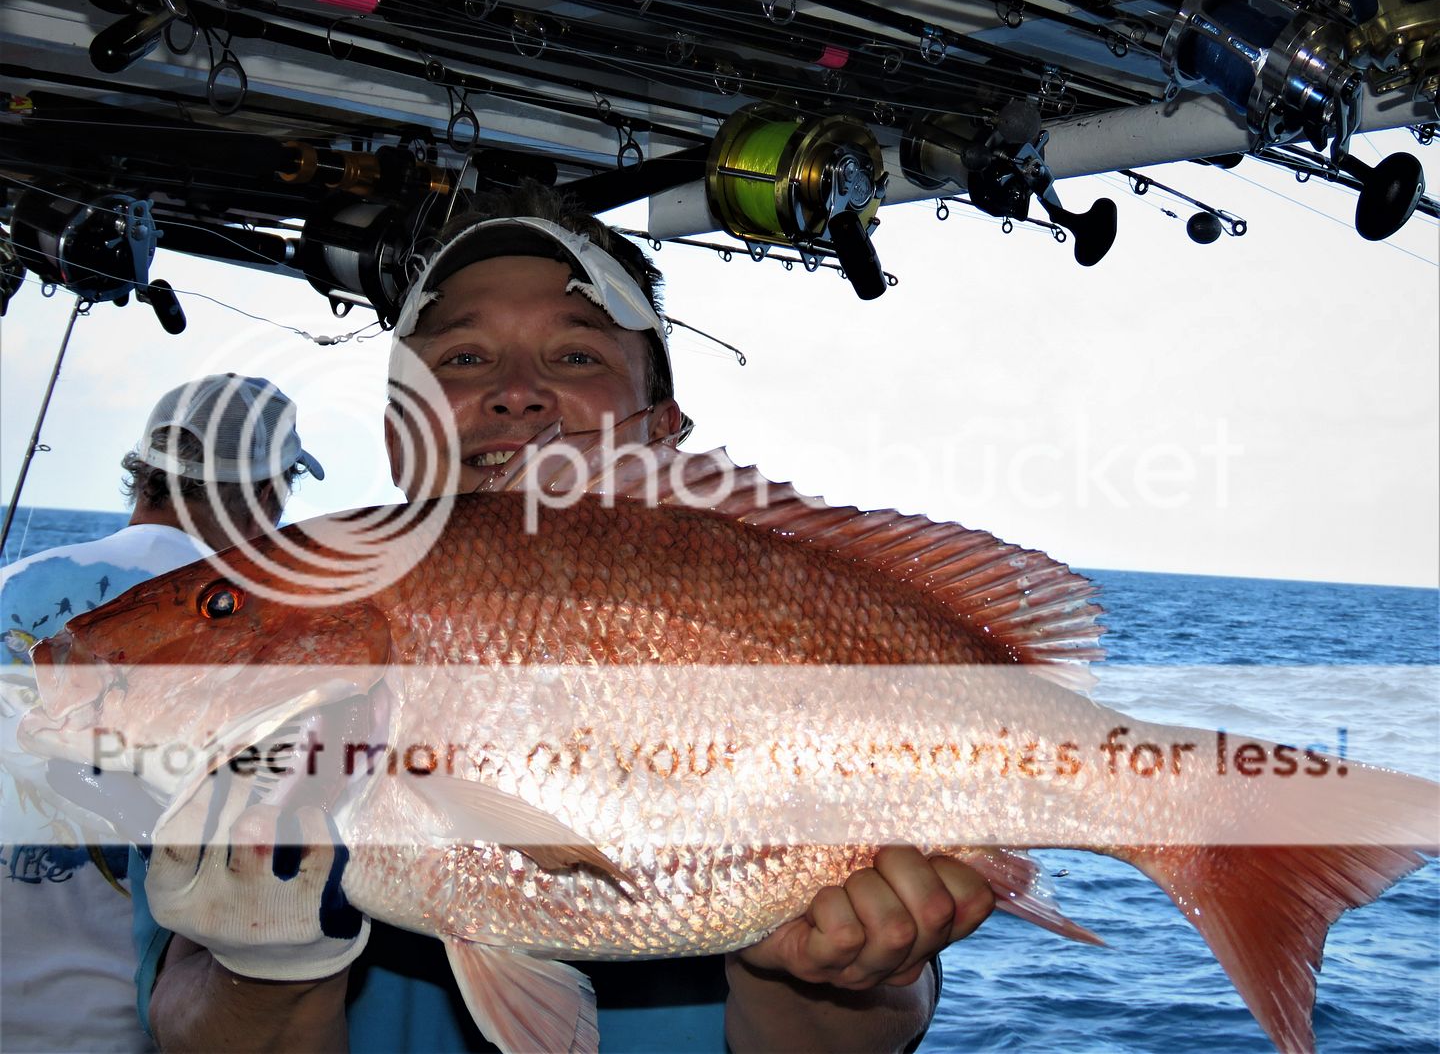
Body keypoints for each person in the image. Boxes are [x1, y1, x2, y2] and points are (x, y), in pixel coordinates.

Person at [135, 185, 996, 1052]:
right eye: (463, 359)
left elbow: (864, 1036)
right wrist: (265, 961)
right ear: (398, 433)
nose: (517, 394)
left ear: (659, 426)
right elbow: (191, 1030)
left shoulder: (785, 593)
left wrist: (819, 967)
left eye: (577, 357)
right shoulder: (271, 679)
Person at [0, 373, 323, 1053]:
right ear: (268, 494)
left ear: (141, 473)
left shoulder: (8, 584)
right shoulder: (267, 638)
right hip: (142, 1029)